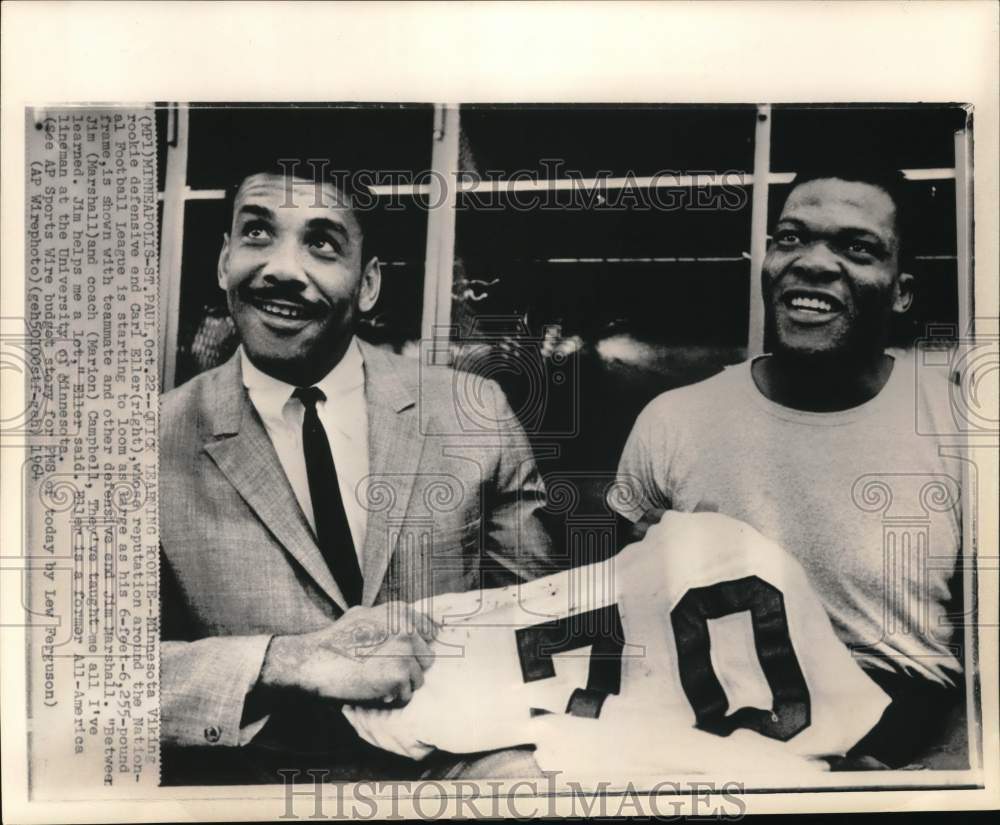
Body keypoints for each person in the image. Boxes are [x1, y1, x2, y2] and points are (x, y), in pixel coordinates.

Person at [159, 161, 554, 782]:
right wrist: (286, 661)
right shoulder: (144, 445)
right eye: (258, 234)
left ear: (368, 285)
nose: (283, 268)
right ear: (222, 261)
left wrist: (511, 755)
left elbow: (539, 635)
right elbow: (85, 679)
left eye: (321, 243)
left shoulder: (474, 414)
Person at [611, 167, 965, 768]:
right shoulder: (672, 422)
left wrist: (932, 780)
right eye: (791, 237)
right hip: (719, 751)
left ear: (902, 290)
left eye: (857, 247)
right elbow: (623, 635)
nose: (813, 262)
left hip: (906, 748)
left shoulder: (961, 424)